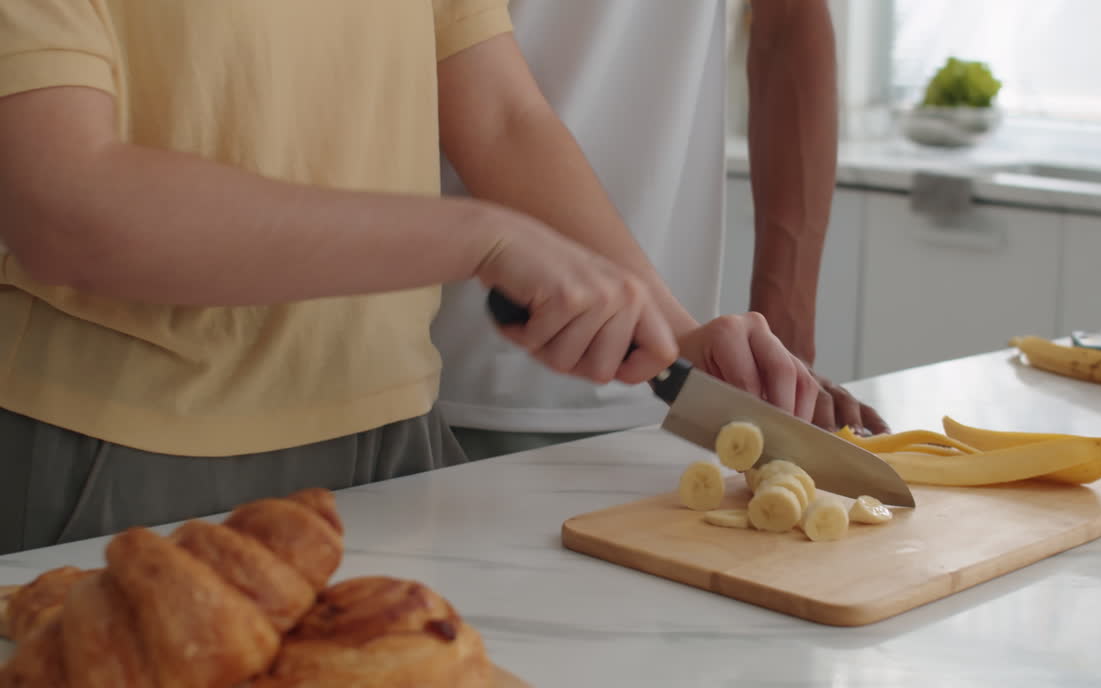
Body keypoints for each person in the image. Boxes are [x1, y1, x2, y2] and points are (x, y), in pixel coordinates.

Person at [0, 1, 837, 554]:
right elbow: (63, 207)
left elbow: (504, 117)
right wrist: (479, 235)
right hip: (128, 459)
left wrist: (673, 330)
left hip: (399, 443)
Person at [434, 0, 889, 462]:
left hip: (686, 381)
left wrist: (780, 359)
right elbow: (494, 107)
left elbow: (790, 22)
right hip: (464, 364)